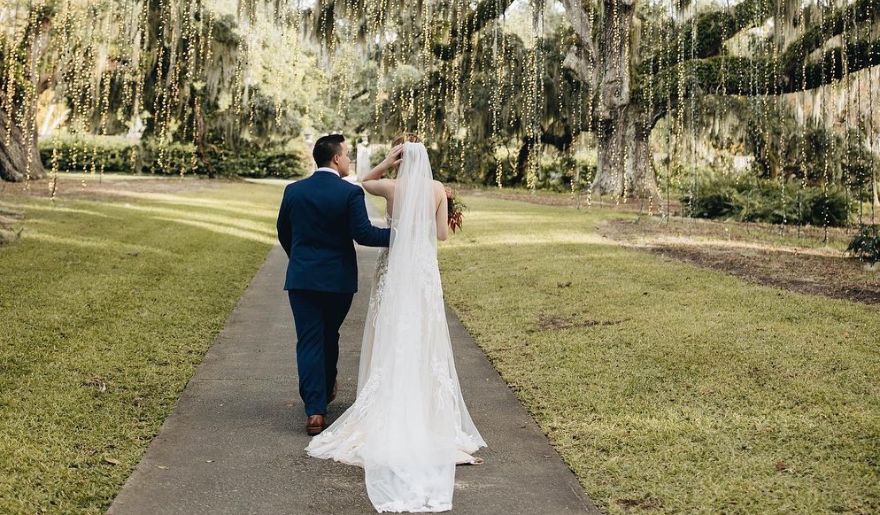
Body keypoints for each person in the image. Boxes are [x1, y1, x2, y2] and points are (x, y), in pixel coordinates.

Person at [305, 136, 487, 513]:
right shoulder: (437, 189)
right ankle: (425, 411)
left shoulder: (391, 186)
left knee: (390, 332)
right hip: (422, 272)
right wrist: (442, 209)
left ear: (401, 160)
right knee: (422, 335)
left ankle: (388, 400)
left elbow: (356, 184)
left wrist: (386, 163)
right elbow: (439, 235)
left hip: (395, 270)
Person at [276, 133, 403, 436]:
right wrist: (403, 235)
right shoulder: (349, 193)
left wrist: (301, 260)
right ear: (336, 158)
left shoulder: (293, 191)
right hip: (338, 281)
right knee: (329, 335)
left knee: (309, 340)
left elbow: (284, 232)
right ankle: (324, 388)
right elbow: (364, 235)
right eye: (347, 155)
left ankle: (315, 411)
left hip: (302, 279)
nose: (348, 160)